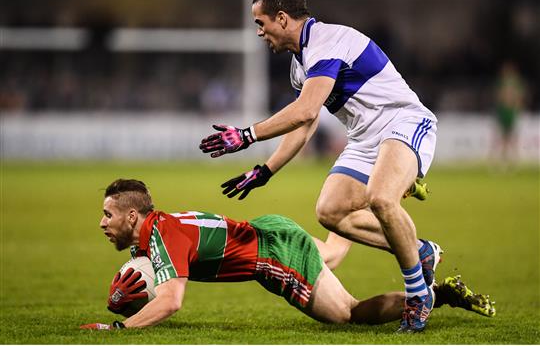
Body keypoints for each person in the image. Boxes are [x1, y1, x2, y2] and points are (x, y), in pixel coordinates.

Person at [199, 0, 439, 332]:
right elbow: (306, 122)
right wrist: (266, 169)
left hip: (403, 122)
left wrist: (248, 135)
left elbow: (305, 108)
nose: (259, 32)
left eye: (260, 23)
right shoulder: (301, 65)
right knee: (331, 211)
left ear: (282, 18)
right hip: (365, 139)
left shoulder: (326, 42)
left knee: (381, 199)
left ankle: (418, 295)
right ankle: (420, 250)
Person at [80, 179, 494, 330]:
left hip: (275, 254)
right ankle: (380, 193)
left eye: (107, 214)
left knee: (349, 313)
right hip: (270, 228)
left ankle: (433, 296)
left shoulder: (163, 237)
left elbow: (171, 301)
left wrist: (121, 328)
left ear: (132, 215)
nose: (101, 223)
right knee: (331, 251)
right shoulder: (160, 228)